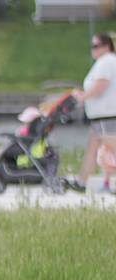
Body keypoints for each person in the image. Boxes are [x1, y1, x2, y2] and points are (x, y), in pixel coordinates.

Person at [65, 32, 116, 192]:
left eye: (95, 46)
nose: (92, 50)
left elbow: (101, 85)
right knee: (91, 149)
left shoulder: (107, 61)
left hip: (106, 115)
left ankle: (82, 182)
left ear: (106, 46)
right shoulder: (104, 62)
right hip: (99, 116)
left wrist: (83, 97)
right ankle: (82, 182)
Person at [0, 105, 43, 171]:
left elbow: (18, 135)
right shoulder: (33, 129)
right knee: (1, 149)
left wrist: (16, 133)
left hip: (20, 146)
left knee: (1, 149)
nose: (24, 123)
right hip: (21, 144)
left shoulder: (26, 129)